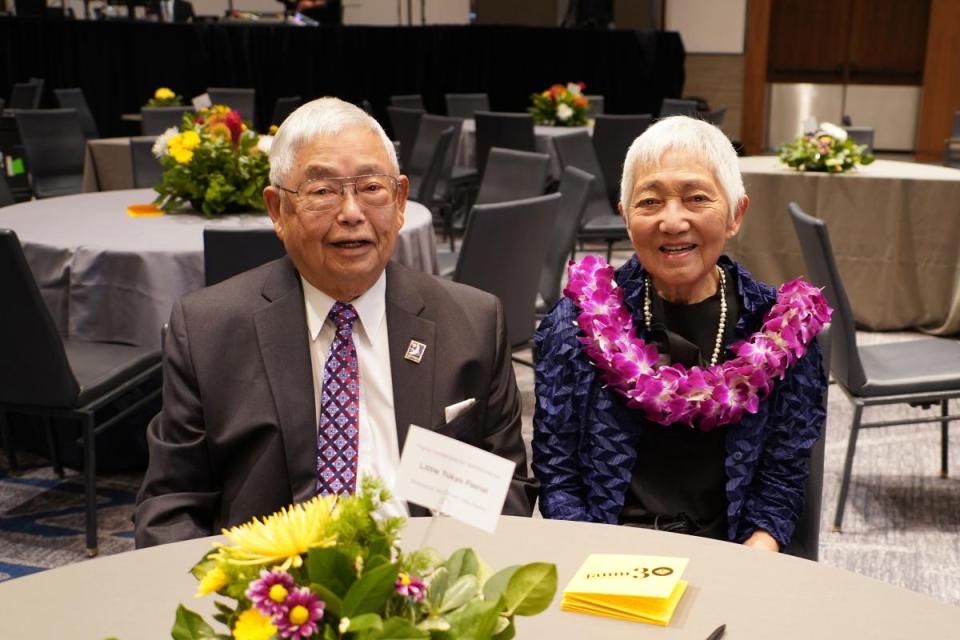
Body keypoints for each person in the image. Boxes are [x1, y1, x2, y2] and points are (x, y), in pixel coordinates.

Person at [135, 97, 535, 547]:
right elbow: (170, 506)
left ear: (400, 200)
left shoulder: (473, 323)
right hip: (272, 589)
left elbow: (507, 494)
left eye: (371, 187)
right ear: (277, 210)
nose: (351, 212)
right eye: (322, 191)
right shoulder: (209, 329)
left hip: (426, 574)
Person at [532, 116, 828, 551]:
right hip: (606, 551)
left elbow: (780, 480)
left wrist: (752, 559)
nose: (672, 221)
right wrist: (593, 561)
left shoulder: (780, 330)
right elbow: (558, 474)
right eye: (649, 202)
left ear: (735, 214)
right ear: (625, 217)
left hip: (730, 552)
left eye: (696, 198)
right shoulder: (574, 325)